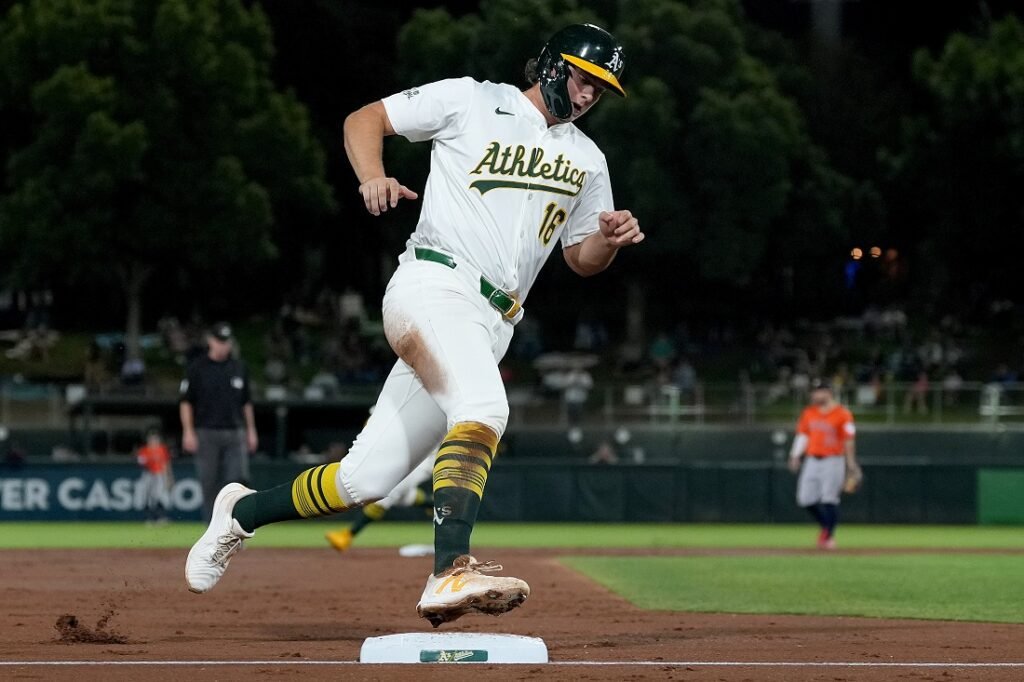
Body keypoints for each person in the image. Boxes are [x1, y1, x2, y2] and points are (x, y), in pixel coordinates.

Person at [184, 23, 642, 627]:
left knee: (363, 479)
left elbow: (580, 258)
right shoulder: (473, 99)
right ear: (553, 66)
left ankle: (240, 514)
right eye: (584, 79)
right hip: (434, 284)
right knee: (485, 408)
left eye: (601, 90)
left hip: (493, 320)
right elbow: (363, 119)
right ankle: (451, 568)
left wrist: (607, 243)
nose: (588, 97)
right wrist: (371, 175)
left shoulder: (588, 158)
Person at [179, 322, 258, 522]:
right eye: (220, 341)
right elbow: (186, 402)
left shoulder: (238, 367)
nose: (224, 345)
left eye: (227, 341)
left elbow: (246, 403)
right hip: (206, 432)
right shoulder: (197, 367)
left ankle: (237, 529)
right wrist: (188, 431)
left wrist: (251, 430)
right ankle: (212, 533)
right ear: (211, 341)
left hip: (235, 432)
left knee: (237, 484)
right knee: (209, 484)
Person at [788, 380, 861, 549]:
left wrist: (851, 462)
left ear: (828, 393)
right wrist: (795, 455)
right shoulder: (809, 412)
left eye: (817, 391)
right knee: (805, 499)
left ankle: (828, 537)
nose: (813, 395)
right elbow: (803, 436)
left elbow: (849, 440)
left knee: (829, 498)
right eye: (813, 391)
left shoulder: (843, 414)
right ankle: (825, 527)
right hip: (812, 459)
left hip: (833, 460)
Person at [324, 456, 434, 553]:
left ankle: (348, 535)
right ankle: (440, 505)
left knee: (386, 496)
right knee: (407, 497)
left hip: (420, 464)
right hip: (416, 463)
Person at [137, 428, 172, 524]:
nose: (154, 441)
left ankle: (161, 517)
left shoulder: (162, 449)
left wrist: (169, 477)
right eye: (152, 439)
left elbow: (166, 464)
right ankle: (150, 518)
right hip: (149, 475)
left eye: (156, 439)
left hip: (160, 475)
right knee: (148, 497)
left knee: (161, 496)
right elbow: (141, 463)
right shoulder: (144, 450)